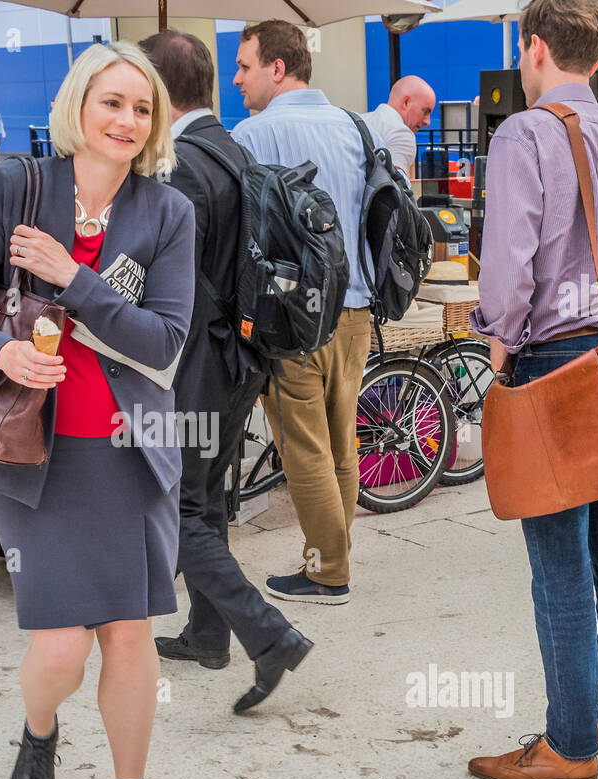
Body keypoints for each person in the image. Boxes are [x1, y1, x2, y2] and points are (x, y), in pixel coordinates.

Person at [0, 42, 195, 779]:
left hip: (127, 449)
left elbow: (166, 340)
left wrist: (74, 280)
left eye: (142, 108)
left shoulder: (166, 212)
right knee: (61, 643)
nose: (127, 120)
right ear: (79, 105)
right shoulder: (16, 187)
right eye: (112, 102)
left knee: (129, 633)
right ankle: (38, 732)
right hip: (28, 450)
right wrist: (0, 354)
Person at [466, 0, 598, 779]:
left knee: (559, 564)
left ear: (534, 50)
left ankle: (568, 746)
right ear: (596, 57)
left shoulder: (524, 134)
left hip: (551, 359)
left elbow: (509, 264)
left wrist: (499, 336)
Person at [139, 29, 314, 714]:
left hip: (195, 365)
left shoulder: (182, 164)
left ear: (155, 91)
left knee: (172, 507)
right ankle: (207, 633)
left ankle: (267, 635)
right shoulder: (234, 147)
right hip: (242, 359)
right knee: (206, 496)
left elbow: (167, 282)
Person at [231, 19, 374, 606]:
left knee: (303, 447)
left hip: (293, 318)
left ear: (277, 68)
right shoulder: (355, 126)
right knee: (342, 443)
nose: (237, 79)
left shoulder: (252, 134)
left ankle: (326, 572)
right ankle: (336, 559)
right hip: (357, 309)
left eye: (244, 66)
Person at [364, 74, 436, 180]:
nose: (427, 122)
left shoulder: (359, 121)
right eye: (425, 111)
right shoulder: (402, 134)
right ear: (406, 102)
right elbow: (396, 191)